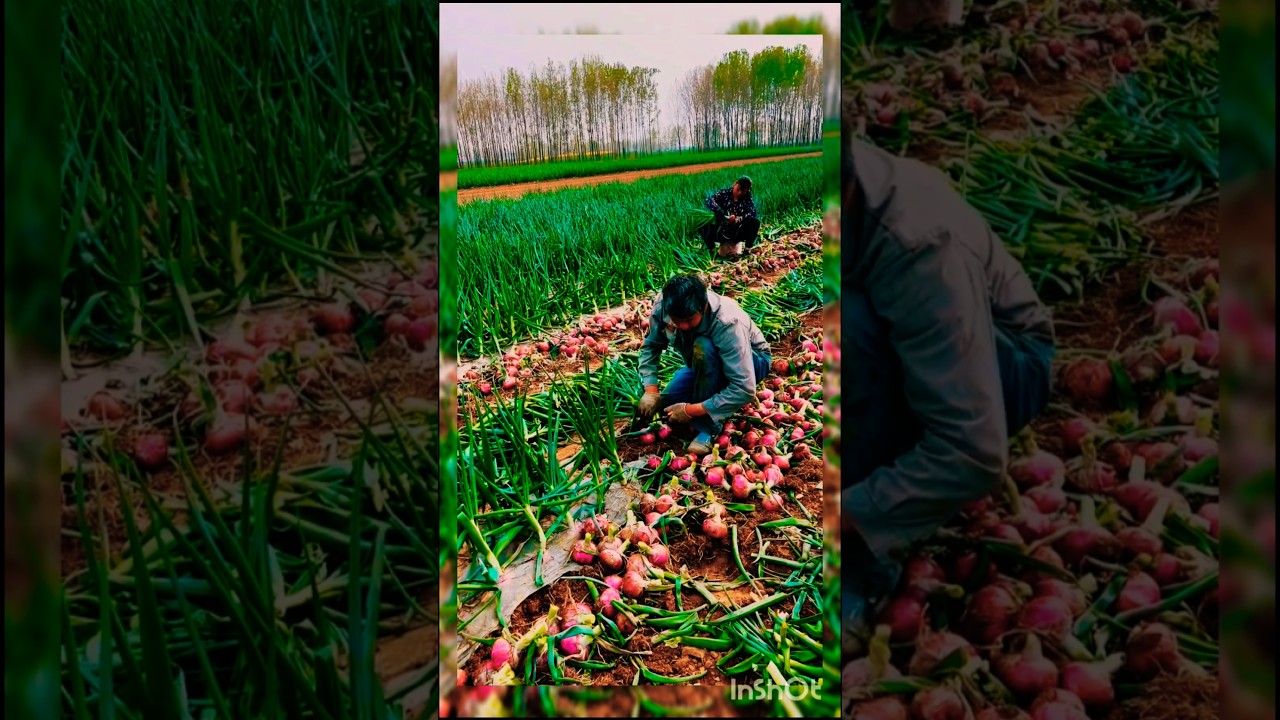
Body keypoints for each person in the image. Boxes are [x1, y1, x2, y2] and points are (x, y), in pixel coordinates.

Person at [840, 136, 1055, 651]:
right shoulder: (845, 182)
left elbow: (973, 452)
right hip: (937, 341)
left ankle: (862, 565)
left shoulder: (918, 243)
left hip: (1011, 366)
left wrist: (842, 514)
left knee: (848, 330)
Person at [637, 274, 771, 454]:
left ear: (704, 306)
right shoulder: (665, 305)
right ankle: (709, 394)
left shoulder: (727, 322)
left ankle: (708, 427)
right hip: (702, 365)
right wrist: (651, 390)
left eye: (689, 320)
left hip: (752, 363)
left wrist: (691, 410)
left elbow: (743, 388)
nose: (683, 327)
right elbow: (651, 347)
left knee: (703, 345)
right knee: (667, 404)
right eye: (677, 321)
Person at [700, 176, 760, 258]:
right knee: (702, 226)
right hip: (721, 230)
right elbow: (708, 200)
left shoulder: (747, 198)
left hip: (738, 232)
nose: (739, 193)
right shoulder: (724, 193)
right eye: (738, 189)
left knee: (755, 222)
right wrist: (718, 210)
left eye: (743, 191)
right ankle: (713, 251)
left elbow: (752, 212)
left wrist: (738, 219)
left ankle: (747, 250)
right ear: (735, 184)